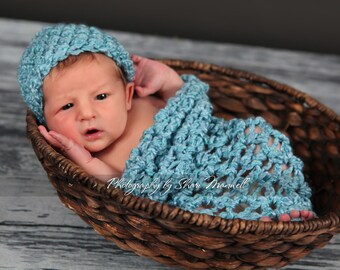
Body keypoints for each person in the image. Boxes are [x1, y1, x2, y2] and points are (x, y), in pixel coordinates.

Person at [18, 23, 314, 221]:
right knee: (204, 210)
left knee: (260, 138)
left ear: (127, 94)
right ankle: (271, 214)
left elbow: (190, 102)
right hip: (183, 186)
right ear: (46, 118)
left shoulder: (145, 100)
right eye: (67, 106)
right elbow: (121, 187)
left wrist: (168, 78)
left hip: (212, 144)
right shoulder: (92, 156)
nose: (87, 113)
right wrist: (86, 161)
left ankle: (284, 193)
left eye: (101, 96)